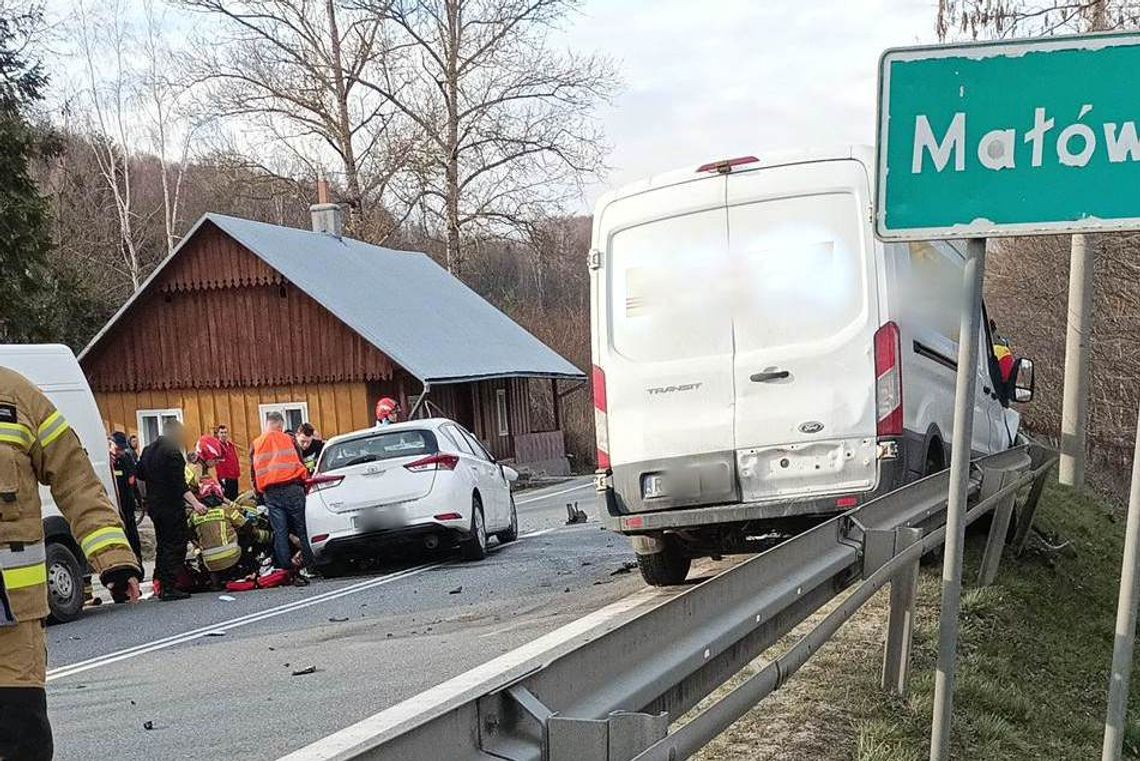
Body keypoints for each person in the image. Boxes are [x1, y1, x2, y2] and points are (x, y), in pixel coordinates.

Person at [0, 367, 141, 761]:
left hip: (11, 622)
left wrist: (113, 560)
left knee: (21, 741)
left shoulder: (16, 397)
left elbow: (77, 481)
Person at [137, 420, 207, 601]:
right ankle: (169, 586)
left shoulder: (147, 450)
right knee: (176, 544)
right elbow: (179, 485)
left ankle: (159, 583)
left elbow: (139, 475)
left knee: (162, 544)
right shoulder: (172, 452)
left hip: (154, 506)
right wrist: (196, 504)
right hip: (171, 506)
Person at [251, 411, 315, 586]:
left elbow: (253, 472)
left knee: (280, 533)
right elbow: (300, 463)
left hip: (270, 492)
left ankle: (286, 570)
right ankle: (310, 566)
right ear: (280, 424)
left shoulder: (257, 443)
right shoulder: (289, 439)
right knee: (302, 529)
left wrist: (259, 498)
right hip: (293, 489)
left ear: (267, 424)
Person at [109, 431, 144, 574]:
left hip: (127, 506)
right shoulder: (106, 462)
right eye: (117, 449)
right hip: (112, 508)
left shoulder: (126, 459)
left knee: (133, 538)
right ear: (110, 444)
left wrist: (139, 500)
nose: (120, 452)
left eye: (122, 449)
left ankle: (138, 568)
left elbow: (132, 481)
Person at [214, 424, 241, 501]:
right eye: (221, 433)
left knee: (235, 497)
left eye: (225, 432)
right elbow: (218, 464)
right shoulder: (218, 446)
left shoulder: (230, 445)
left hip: (234, 476)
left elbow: (234, 459)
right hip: (225, 477)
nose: (224, 435)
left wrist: (237, 472)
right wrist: (222, 478)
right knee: (228, 498)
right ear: (218, 434)